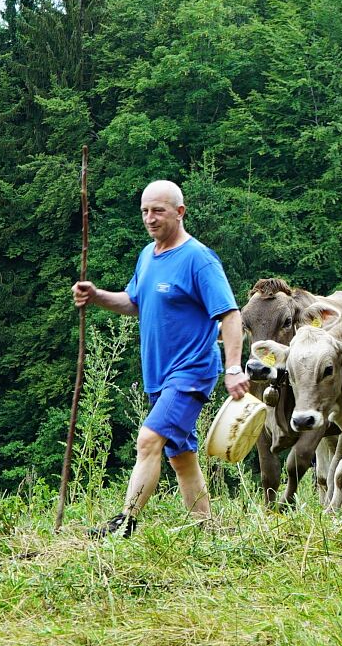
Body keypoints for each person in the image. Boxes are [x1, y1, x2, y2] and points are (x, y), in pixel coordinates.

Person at [72, 179, 250, 537]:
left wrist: (233, 367)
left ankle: (126, 522)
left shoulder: (198, 259)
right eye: (144, 211)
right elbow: (134, 303)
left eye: (158, 211)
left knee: (148, 440)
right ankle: (206, 532)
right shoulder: (147, 256)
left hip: (191, 372)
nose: (150, 219)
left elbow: (230, 315)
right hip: (158, 375)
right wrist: (97, 296)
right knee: (181, 459)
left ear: (180, 212)